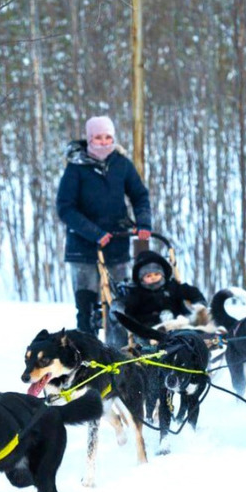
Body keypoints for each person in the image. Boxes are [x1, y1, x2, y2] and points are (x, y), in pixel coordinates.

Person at [56, 115, 152, 335]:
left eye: (108, 137)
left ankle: (116, 353)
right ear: (90, 139)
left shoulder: (121, 164)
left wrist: (143, 222)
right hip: (83, 247)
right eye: (98, 137)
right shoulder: (76, 168)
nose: (104, 142)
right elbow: (65, 208)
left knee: (119, 305)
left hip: (117, 243)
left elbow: (139, 195)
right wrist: (94, 233)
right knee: (87, 307)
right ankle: (87, 354)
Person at [123, 250, 207, 329]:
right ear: (141, 279)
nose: (153, 278)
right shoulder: (137, 293)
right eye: (148, 276)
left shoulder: (172, 286)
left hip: (177, 322)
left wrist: (199, 304)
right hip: (149, 327)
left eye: (156, 274)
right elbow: (130, 313)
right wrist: (154, 318)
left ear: (163, 274)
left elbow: (192, 292)